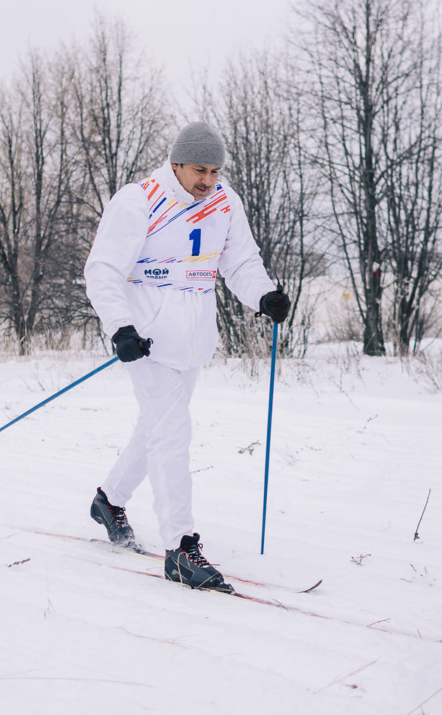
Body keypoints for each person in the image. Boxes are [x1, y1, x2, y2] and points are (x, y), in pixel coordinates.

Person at [83, 122, 288, 591]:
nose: (208, 180)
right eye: (200, 170)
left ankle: (109, 500)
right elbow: (103, 271)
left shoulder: (225, 202)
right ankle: (181, 547)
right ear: (176, 163)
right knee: (171, 433)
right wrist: (120, 328)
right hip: (147, 341)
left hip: (192, 339)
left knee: (157, 427)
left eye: (215, 171)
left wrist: (264, 296)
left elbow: (240, 263)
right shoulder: (138, 201)